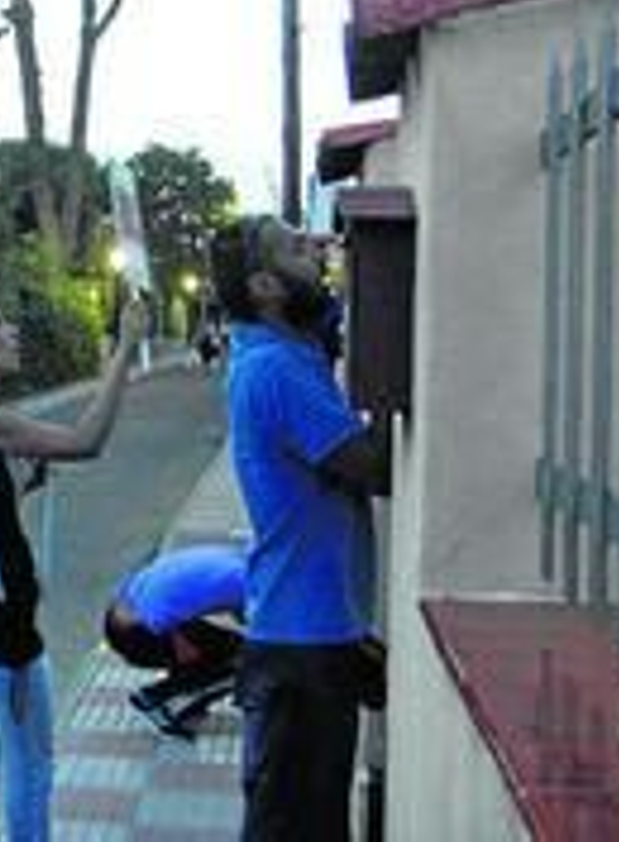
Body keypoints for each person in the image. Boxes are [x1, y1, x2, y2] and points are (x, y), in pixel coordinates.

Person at [0, 290, 148, 842]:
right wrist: (127, 348)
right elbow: (86, 442)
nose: (12, 330)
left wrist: (24, 480)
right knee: (31, 768)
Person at [208, 215, 390, 842]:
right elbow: (373, 466)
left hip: (305, 632)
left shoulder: (284, 355)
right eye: (295, 248)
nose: (316, 250)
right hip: (302, 647)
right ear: (265, 286)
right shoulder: (277, 371)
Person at [103, 541, 246, 740]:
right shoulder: (245, 581)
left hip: (121, 614)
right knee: (249, 661)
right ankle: (154, 698)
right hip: (134, 630)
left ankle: (192, 700)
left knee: (226, 645)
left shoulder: (233, 561)